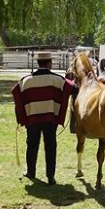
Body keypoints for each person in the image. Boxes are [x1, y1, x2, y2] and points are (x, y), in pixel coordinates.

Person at [12, 52, 74, 185]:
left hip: (32, 120)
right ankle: (50, 177)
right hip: (49, 119)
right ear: (49, 63)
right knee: (50, 146)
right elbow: (72, 89)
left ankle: (31, 172)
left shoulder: (26, 80)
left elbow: (17, 96)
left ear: (38, 63)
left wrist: (20, 119)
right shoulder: (56, 79)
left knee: (32, 145)